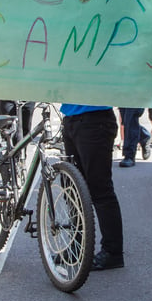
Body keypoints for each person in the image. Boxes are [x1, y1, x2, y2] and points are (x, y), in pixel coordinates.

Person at [60, 104, 125, 270]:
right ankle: (77, 246)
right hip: (71, 118)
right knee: (73, 190)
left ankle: (113, 252)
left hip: (95, 120)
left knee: (100, 190)